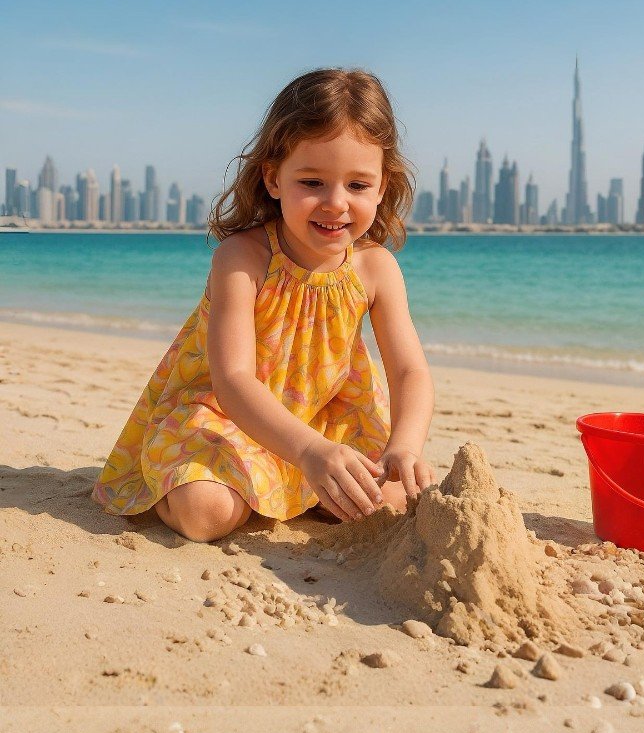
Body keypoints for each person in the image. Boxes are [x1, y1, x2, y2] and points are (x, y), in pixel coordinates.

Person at [92, 68, 436, 542]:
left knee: (388, 501)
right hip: (229, 416)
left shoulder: (376, 269)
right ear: (274, 178)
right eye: (312, 182)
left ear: (381, 187)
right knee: (206, 514)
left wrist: (405, 444)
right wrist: (311, 452)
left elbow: (409, 373)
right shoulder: (243, 259)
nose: (335, 203)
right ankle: (181, 485)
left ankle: (289, 487)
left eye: (357, 186)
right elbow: (232, 381)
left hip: (324, 418)